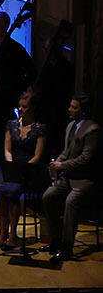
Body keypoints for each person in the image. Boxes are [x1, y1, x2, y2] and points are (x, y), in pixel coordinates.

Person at [42, 94, 98, 263]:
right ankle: (56, 239)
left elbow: (85, 159)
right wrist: (57, 162)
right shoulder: (70, 126)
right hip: (68, 177)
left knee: (70, 202)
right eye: (71, 106)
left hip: (84, 180)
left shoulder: (92, 130)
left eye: (74, 107)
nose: (70, 110)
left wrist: (62, 166)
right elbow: (67, 151)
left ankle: (67, 248)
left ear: (83, 111)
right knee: (48, 196)